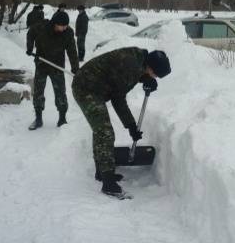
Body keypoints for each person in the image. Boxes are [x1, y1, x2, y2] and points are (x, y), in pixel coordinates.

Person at [72, 48, 171, 199]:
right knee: (104, 131)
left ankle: (101, 171)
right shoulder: (130, 65)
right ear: (150, 67)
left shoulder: (139, 60)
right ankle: (108, 183)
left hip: (96, 87)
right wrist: (131, 125)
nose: (155, 77)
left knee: (100, 129)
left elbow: (122, 83)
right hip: (86, 88)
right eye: (155, 74)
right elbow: (118, 99)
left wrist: (145, 78)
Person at [26, 11, 79, 130]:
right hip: (41, 63)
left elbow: (72, 51)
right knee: (39, 92)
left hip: (57, 65)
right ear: (55, 23)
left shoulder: (68, 33)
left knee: (60, 92)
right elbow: (30, 33)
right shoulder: (41, 27)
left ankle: (62, 118)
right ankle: (38, 118)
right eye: (62, 26)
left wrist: (75, 68)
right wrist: (30, 47)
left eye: (66, 26)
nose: (65, 28)